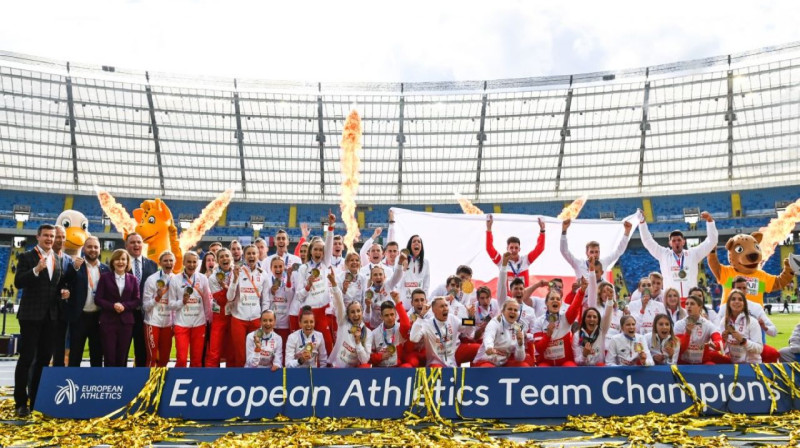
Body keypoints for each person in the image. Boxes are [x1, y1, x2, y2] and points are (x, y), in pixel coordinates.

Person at [13, 224, 68, 417]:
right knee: (27, 359)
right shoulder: (27, 257)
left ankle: (36, 399)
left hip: (51, 318)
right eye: (46, 236)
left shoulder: (57, 259)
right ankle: (20, 402)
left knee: (44, 360)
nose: (49, 239)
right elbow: (18, 282)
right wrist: (36, 270)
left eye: (52, 236)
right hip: (31, 316)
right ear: (37, 237)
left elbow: (56, 285)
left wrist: (63, 291)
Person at [636, 209, 717, 301]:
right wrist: (642, 223)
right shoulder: (663, 254)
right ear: (670, 243)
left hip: (690, 301)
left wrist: (710, 221)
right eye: (674, 241)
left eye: (679, 240)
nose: (676, 243)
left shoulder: (693, 254)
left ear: (683, 242)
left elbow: (712, 241)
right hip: (670, 301)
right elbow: (647, 241)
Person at [63, 236, 109, 367]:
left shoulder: (106, 269)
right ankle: (72, 383)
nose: (93, 250)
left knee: (97, 354)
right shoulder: (76, 266)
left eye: (96, 247)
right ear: (84, 249)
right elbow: (65, 282)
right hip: (79, 317)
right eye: (89, 247)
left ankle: (95, 385)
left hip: (98, 317)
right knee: (75, 354)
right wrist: (74, 269)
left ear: (100, 249)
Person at [294, 212, 337, 352]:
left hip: (323, 312)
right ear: (311, 251)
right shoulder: (303, 269)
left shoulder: (325, 264)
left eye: (321, 250)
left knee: (327, 343)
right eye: (316, 249)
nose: (318, 252)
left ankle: (327, 372)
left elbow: (329, 245)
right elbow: (299, 296)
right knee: (308, 347)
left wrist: (331, 227)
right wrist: (308, 286)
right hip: (307, 312)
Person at [94, 249, 140, 367]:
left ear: (127, 262)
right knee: (109, 356)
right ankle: (109, 383)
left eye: (123, 259)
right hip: (108, 322)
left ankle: (121, 383)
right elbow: (98, 299)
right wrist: (112, 306)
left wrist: (124, 306)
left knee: (122, 356)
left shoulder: (133, 279)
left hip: (126, 323)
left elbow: (137, 300)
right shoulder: (105, 277)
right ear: (113, 262)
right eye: (118, 259)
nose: (120, 262)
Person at [227, 245, 268, 367]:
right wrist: (234, 280)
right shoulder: (237, 272)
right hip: (239, 319)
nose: (251, 256)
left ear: (258, 255)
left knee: (256, 352)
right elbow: (229, 297)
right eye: (248, 253)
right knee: (240, 354)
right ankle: (240, 381)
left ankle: (253, 381)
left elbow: (265, 299)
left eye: (254, 253)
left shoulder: (263, 274)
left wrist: (263, 318)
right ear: (244, 256)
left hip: (256, 319)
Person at [169, 251, 212, 367]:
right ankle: (178, 382)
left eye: (194, 262)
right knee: (181, 359)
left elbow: (207, 302)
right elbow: (171, 304)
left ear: (198, 263)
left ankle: (195, 384)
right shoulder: (175, 280)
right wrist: (182, 302)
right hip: (181, 324)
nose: (191, 265)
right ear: (183, 262)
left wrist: (208, 321)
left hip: (199, 324)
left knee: (197, 360)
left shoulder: (202, 279)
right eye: (189, 262)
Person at [409, 296, 477, 367]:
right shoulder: (427, 324)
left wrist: (471, 316)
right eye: (441, 306)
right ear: (434, 310)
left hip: (452, 361)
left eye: (446, 305)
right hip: (436, 363)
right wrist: (420, 316)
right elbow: (414, 338)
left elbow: (468, 331)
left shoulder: (452, 318)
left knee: (476, 349)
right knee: (437, 368)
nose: (445, 308)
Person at [531, 277, 585, 366]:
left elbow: (575, 307)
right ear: (546, 303)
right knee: (541, 370)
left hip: (565, 361)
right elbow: (539, 349)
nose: (555, 300)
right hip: (546, 362)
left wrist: (581, 291)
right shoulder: (539, 322)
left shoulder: (566, 317)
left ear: (560, 303)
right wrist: (548, 335)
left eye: (557, 299)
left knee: (571, 368)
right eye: (552, 299)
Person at [327, 268, 373, 368]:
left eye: (358, 311)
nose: (356, 314)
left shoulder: (368, 333)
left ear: (362, 312)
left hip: (354, 372)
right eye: (352, 312)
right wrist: (334, 283)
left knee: (366, 367)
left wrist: (358, 342)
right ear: (348, 315)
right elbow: (339, 301)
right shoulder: (342, 322)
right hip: (337, 368)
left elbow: (365, 359)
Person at [485, 214, 546, 289]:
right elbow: (489, 248)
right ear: (507, 248)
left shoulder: (525, 260)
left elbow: (540, 248)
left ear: (519, 249)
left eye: (516, 248)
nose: (514, 250)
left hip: (523, 298)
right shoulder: (501, 261)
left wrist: (542, 231)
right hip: (508, 299)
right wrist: (489, 229)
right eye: (511, 248)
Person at [125, 233, 158, 368]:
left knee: (142, 352)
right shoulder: (121, 262)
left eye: (139, 242)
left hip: (145, 315)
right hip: (125, 314)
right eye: (132, 242)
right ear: (126, 246)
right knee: (122, 350)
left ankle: (140, 380)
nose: (136, 245)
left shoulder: (152, 265)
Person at [560, 218, 632, 279]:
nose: (594, 254)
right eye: (591, 252)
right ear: (586, 253)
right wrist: (564, 231)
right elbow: (564, 251)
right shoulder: (578, 264)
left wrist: (627, 232)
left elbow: (619, 251)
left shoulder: (604, 262)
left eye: (597, 252)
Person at [731, 276, 779, 363]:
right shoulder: (724, 308)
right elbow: (717, 330)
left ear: (747, 290)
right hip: (732, 349)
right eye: (738, 288)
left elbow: (774, 332)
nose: (742, 290)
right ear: (732, 290)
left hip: (754, 348)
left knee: (772, 353)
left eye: (744, 288)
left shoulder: (756, 307)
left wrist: (764, 327)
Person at [141, 251, 176, 367]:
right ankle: (150, 384)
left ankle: (161, 382)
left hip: (168, 325)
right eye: (165, 260)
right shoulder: (151, 280)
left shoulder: (177, 280)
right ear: (160, 263)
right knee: (152, 357)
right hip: (152, 323)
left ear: (174, 263)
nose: (168, 263)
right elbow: (145, 306)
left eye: (171, 260)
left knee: (165, 359)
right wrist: (158, 297)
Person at [472, 298, 531, 367]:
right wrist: (489, 347)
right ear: (503, 311)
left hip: (503, 363)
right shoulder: (494, 322)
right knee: (489, 368)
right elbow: (488, 337)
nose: (513, 312)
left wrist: (520, 344)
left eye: (515, 310)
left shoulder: (518, 327)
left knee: (524, 366)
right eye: (510, 309)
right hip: (486, 360)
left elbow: (519, 358)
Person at [573, 273, 614, 366]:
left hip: (600, 370)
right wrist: (584, 355)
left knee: (600, 365)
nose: (592, 319)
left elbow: (607, 316)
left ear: (598, 321)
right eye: (589, 317)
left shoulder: (601, 331)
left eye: (595, 317)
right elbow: (577, 361)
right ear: (584, 319)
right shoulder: (577, 335)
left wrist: (610, 299)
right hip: (583, 372)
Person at [674, 294, 727, 365]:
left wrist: (715, 344)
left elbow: (718, 341)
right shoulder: (679, 324)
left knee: (711, 365)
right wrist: (688, 334)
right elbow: (680, 350)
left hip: (702, 363)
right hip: (683, 364)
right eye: (687, 304)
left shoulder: (708, 324)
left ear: (700, 307)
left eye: (692, 304)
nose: (688, 306)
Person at [206, 248, 234, 367]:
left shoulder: (238, 274)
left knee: (232, 352)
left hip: (234, 316)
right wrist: (230, 290)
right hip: (219, 316)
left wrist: (225, 289)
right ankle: (211, 379)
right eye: (221, 257)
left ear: (231, 259)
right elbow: (222, 300)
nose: (224, 258)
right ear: (217, 260)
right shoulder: (213, 278)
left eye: (227, 256)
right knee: (214, 351)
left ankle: (232, 378)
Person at [719, 289, 763, 364]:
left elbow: (759, 349)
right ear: (729, 303)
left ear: (744, 304)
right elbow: (722, 350)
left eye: (740, 299)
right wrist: (724, 341)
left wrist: (743, 341)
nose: (737, 301)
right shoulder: (724, 321)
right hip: (732, 365)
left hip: (751, 365)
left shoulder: (752, 322)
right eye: (733, 299)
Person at [370, 290, 412, 368]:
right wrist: (380, 357)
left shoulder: (400, 329)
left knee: (407, 367)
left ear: (396, 315)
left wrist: (397, 302)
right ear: (381, 317)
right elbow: (370, 357)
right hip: (381, 369)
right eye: (386, 315)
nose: (390, 318)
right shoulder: (374, 333)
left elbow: (406, 325)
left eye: (392, 314)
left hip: (397, 368)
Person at [261, 256, 295, 351]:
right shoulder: (267, 281)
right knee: (270, 351)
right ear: (271, 268)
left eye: (280, 266)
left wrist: (288, 278)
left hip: (284, 324)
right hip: (271, 325)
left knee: (283, 351)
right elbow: (265, 302)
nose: (278, 269)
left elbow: (290, 297)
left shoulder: (289, 280)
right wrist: (271, 293)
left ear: (284, 267)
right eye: (275, 267)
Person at [363, 257, 406, 329]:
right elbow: (366, 319)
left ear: (384, 276)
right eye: (375, 275)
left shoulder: (388, 285)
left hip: (391, 325)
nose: (378, 277)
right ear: (371, 278)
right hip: (375, 327)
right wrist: (367, 306)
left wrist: (400, 263)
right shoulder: (368, 292)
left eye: (380, 274)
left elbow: (397, 276)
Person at [52, 225, 73, 367]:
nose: (60, 240)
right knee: (40, 352)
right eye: (57, 236)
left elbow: (69, 283)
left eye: (63, 237)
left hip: (62, 312)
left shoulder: (68, 260)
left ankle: (56, 383)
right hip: (44, 311)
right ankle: (35, 387)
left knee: (59, 350)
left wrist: (68, 291)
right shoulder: (42, 257)